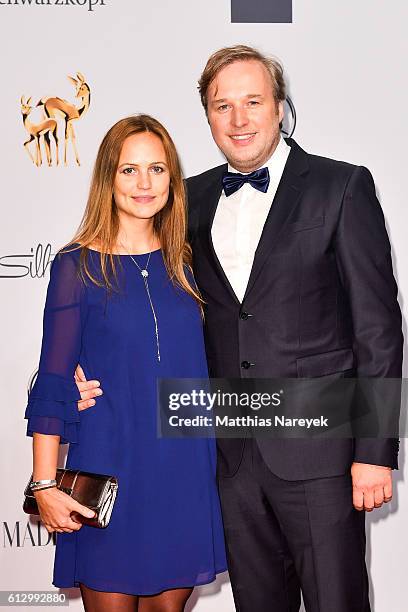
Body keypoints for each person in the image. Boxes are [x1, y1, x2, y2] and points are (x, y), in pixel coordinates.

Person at [76, 46, 403, 611]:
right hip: (226, 461)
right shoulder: (186, 198)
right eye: (221, 105)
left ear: (281, 107)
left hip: (321, 455)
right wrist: (77, 377)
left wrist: (375, 451)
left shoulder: (341, 186)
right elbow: (136, 298)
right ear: (206, 116)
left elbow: (378, 330)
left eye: (252, 102)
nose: (238, 119)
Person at [24, 115, 227, 612]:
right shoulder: (76, 266)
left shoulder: (191, 259)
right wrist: (44, 484)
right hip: (109, 465)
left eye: (157, 169)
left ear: (172, 178)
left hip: (181, 470)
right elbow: (52, 380)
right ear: (107, 179)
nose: (144, 184)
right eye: (128, 170)